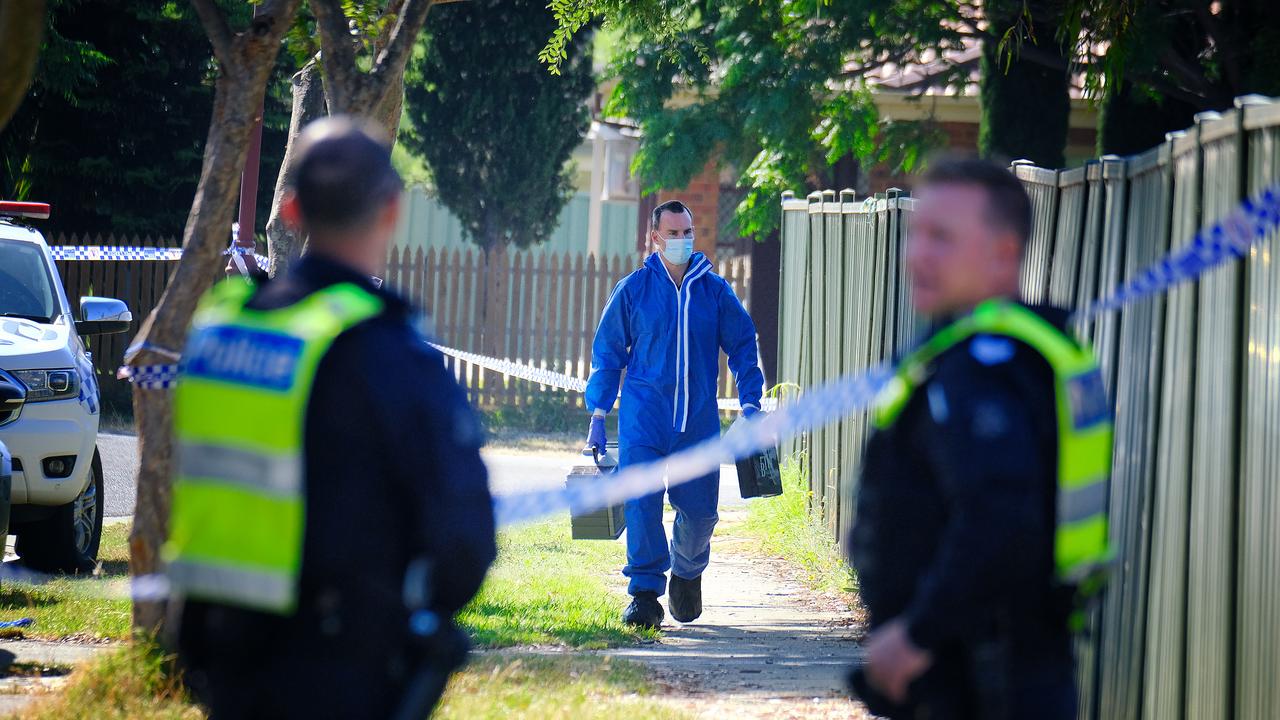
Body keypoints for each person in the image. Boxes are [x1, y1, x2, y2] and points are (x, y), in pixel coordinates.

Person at [168, 117, 496, 719]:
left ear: (290, 211)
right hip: (341, 667)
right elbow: (463, 539)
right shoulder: (384, 350)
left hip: (222, 657)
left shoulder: (218, 330)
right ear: (391, 212)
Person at [847, 157, 1112, 719]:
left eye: (942, 238)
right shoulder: (992, 355)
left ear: (1004, 254)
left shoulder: (984, 370)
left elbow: (1001, 521)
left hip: (986, 680)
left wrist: (915, 636)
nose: (917, 255)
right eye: (917, 234)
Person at [584, 200, 765, 629]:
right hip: (644, 420)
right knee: (642, 504)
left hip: (698, 425)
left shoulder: (714, 292)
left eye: (688, 232)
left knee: (701, 512)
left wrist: (752, 403)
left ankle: (686, 571)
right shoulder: (634, 290)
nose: (682, 240)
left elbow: (742, 345)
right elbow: (608, 354)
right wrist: (597, 414)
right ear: (655, 237)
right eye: (674, 232)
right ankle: (645, 595)